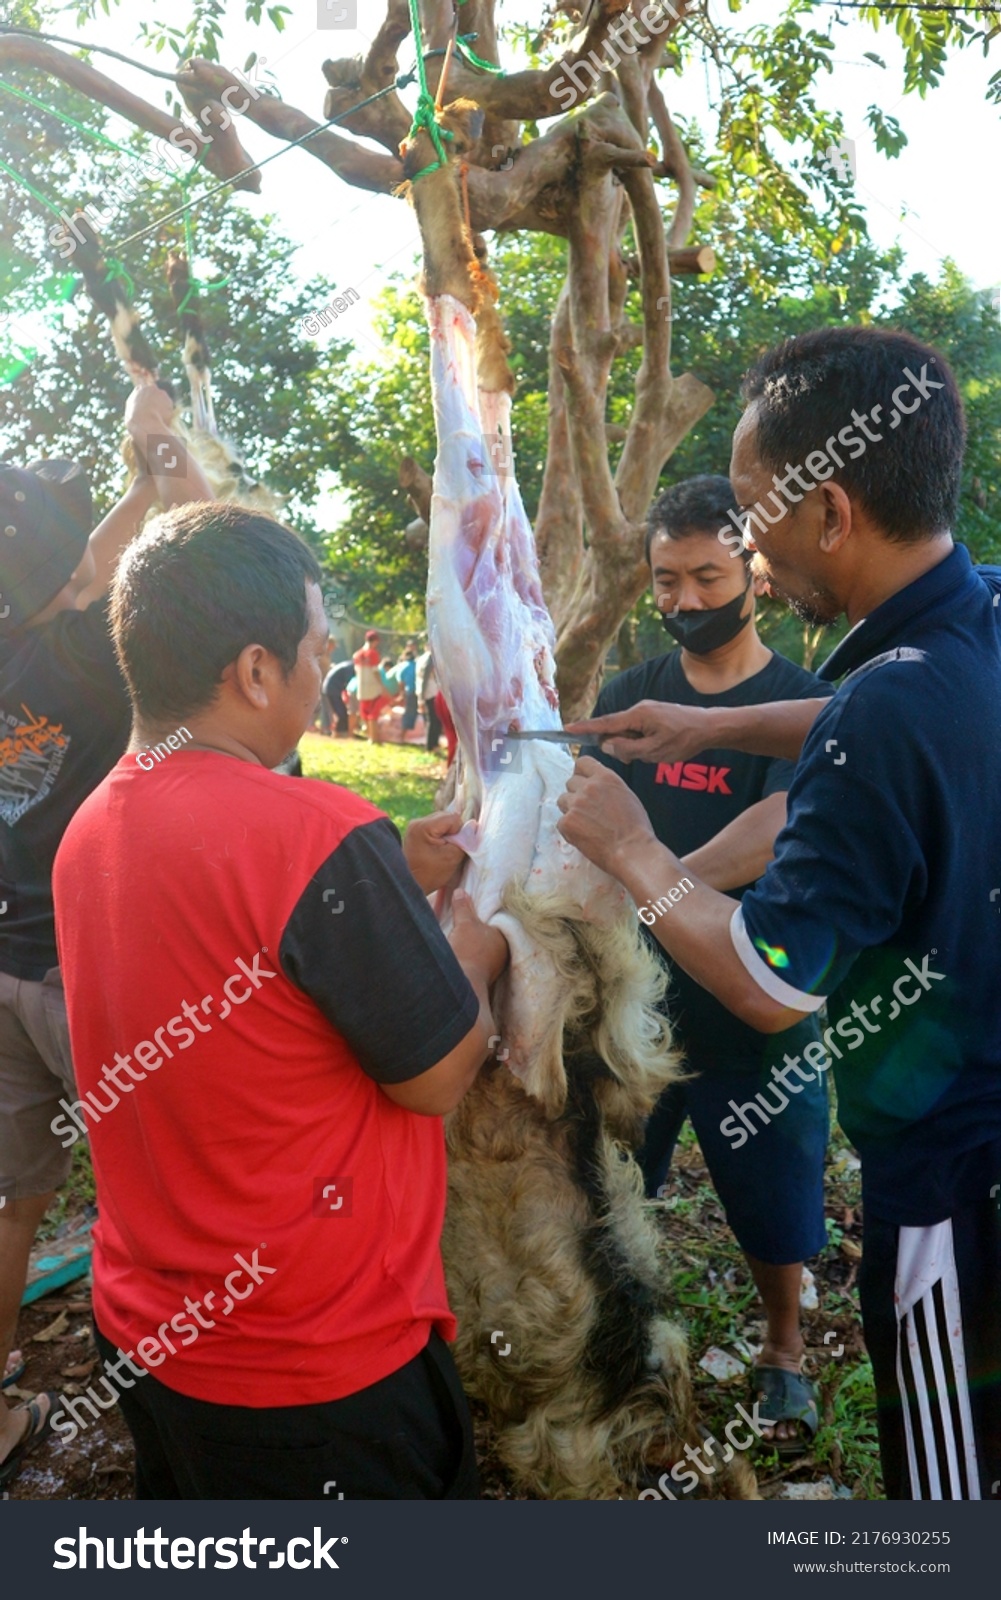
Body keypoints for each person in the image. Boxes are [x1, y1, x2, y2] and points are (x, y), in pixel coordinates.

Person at [561, 326, 1001, 1500]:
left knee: (943, 1482)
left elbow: (767, 980)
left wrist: (634, 849)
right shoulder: (980, 615)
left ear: (833, 512)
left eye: (753, 515)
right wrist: (712, 728)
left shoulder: (879, 715)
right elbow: (894, 712)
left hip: (945, 1187)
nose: (744, 546)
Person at [51, 501, 509, 1499]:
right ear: (255, 671)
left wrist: (380, 867)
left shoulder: (91, 823)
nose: (321, 669)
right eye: (314, 649)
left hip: (152, 1331)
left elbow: (235, 947)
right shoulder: (314, 832)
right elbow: (436, 1075)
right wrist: (465, 950)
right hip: (314, 1363)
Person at [591, 474, 834, 1454]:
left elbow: (773, 830)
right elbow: (584, 812)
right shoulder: (627, 695)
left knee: (774, 1191)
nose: (685, 600)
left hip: (750, 988)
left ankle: (782, 1349)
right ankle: (625, 1343)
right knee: (614, 1184)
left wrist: (653, 879)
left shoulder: (803, 702)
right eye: (665, 579)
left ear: (753, 575)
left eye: (705, 575)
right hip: (630, 1003)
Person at [0, 385, 211, 1487]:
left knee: (12, 1192)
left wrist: (134, 480)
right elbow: (102, 567)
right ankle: (179, 1396)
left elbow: (70, 564)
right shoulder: (89, 660)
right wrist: (154, 470)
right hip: (77, 972)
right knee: (150, 1185)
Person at [353, 630, 390, 743]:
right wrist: (382, 686)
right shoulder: (373, 653)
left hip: (362, 688)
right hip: (373, 688)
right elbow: (375, 671)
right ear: (375, 641)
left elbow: (356, 671)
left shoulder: (357, 654)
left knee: (365, 713)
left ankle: (370, 736)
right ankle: (374, 738)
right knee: (373, 714)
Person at [418, 648, 443, 752]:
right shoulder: (431, 657)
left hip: (427, 692)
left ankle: (433, 745)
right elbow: (425, 677)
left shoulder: (421, 658)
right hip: (432, 692)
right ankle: (431, 746)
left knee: (433, 720)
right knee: (434, 720)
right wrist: (421, 698)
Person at [322, 659, 354, 738]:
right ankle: (339, 733)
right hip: (333, 689)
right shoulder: (351, 668)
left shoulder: (348, 665)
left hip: (330, 688)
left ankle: (340, 732)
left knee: (340, 711)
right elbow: (349, 683)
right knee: (341, 713)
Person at [398, 645, 420, 734]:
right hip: (420, 692)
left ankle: (402, 735)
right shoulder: (417, 665)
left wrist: (401, 694)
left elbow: (400, 682)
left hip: (410, 692)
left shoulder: (403, 666)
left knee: (408, 713)